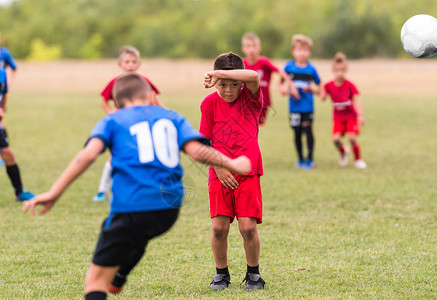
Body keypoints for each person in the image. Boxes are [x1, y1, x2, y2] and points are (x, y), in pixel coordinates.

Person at [22, 73, 252, 300]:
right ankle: (120, 276)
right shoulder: (172, 117)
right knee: (140, 235)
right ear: (151, 96)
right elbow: (197, 150)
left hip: (131, 208)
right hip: (168, 211)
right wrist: (232, 162)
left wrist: (54, 192)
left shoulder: (113, 119)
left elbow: (88, 155)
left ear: (117, 104)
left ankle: (113, 278)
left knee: (95, 281)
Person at [200, 52, 265, 290]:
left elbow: (254, 75)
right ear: (215, 85)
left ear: (241, 84)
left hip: (248, 171)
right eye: (222, 85)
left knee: (247, 226)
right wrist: (218, 168)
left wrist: (218, 73)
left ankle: (254, 275)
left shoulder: (251, 99)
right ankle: (221, 274)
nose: (228, 90)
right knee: (219, 227)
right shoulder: (208, 104)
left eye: (233, 85)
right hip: (219, 172)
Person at [93, 45, 163, 202]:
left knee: (146, 156)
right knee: (114, 159)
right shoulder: (116, 82)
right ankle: (102, 190)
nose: (130, 65)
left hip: (143, 126)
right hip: (124, 127)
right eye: (127, 62)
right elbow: (103, 101)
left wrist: (166, 113)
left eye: (133, 62)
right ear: (120, 64)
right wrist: (113, 114)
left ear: (138, 64)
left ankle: (149, 188)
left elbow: (155, 101)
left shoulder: (144, 82)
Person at [279, 34, 322, 169]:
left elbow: (320, 86)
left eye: (305, 50)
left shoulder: (311, 69)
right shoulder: (288, 67)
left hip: (307, 106)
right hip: (294, 107)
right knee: (297, 133)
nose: (302, 53)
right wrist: (287, 91)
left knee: (308, 130)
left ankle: (310, 159)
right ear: (293, 51)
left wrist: (313, 90)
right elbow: (280, 85)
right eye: (299, 50)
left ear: (309, 52)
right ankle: (300, 159)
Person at [241, 32, 299, 125]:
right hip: (246, 103)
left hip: (263, 103)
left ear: (259, 48)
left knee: (255, 127)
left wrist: (290, 85)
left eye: (254, 46)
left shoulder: (263, 62)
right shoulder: (241, 64)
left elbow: (281, 72)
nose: (251, 49)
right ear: (243, 49)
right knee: (247, 127)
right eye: (248, 46)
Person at [321, 52, 367, 169]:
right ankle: (343, 151)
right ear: (333, 70)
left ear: (346, 70)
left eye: (342, 70)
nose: (339, 73)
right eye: (337, 70)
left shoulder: (350, 85)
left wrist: (360, 115)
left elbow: (357, 99)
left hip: (351, 116)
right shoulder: (329, 85)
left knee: (352, 138)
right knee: (335, 139)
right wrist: (316, 91)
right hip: (338, 117)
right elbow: (322, 95)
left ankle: (358, 159)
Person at [0, 33, 17, 167]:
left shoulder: (4, 54)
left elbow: (14, 69)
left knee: (1, 120)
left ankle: (4, 151)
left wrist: (9, 82)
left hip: (1, 90)